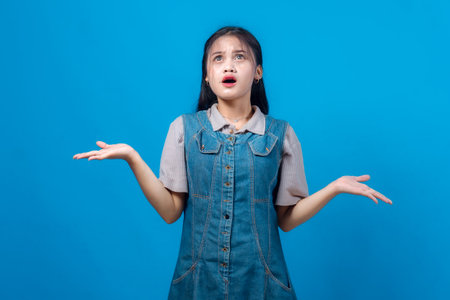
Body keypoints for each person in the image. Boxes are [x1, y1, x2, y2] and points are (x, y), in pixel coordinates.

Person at [73, 26, 392, 299]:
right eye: (218, 58)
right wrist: (132, 157)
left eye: (239, 56)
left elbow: (287, 219)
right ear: (208, 76)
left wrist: (334, 188)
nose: (229, 65)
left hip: (262, 283)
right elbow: (171, 211)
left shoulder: (281, 135)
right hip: (198, 284)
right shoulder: (183, 129)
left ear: (257, 71)